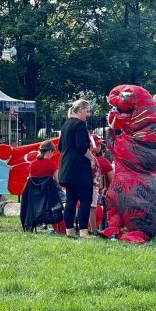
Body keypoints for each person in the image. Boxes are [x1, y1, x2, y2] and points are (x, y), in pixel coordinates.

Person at [58, 99, 95, 238]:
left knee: (71, 200)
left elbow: (60, 147)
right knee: (85, 200)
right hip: (79, 169)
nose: (88, 114)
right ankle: (84, 232)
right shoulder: (79, 125)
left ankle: (70, 231)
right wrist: (92, 158)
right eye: (87, 111)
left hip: (66, 168)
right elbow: (81, 147)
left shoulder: (65, 124)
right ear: (80, 110)